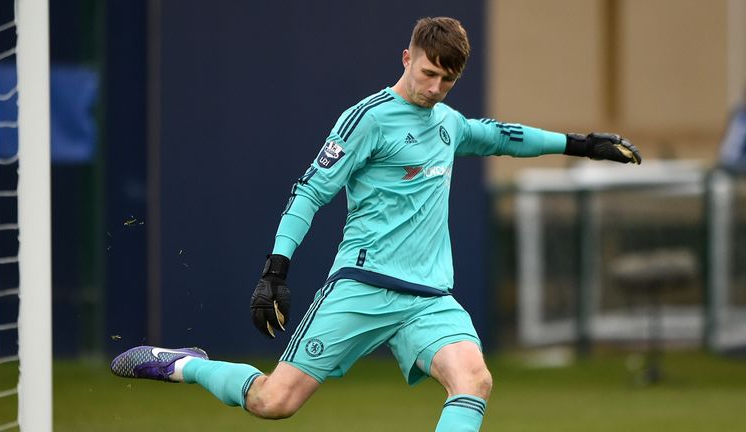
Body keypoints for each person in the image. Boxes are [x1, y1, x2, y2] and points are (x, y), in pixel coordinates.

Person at [111, 17, 641, 431]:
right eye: (427, 73)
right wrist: (275, 269)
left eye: (447, 80)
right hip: (363, 286)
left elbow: (504, 135)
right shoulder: (366, 119)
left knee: (474, 380)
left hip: (429, 297)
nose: (435, 87)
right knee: (274, 403)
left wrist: (583, 144)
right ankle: (182, 364)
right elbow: (310, 190)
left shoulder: (448, 124)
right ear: (407, 58)